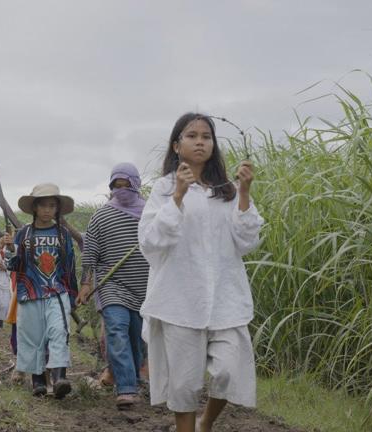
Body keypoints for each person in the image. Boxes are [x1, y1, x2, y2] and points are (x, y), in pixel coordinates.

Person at [138, 113, 264, 432]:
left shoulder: (228, 190)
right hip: (179, 301)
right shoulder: (165, 188)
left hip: (226, 299)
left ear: (213, 144)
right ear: (177, 145)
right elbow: (150, 242)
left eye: (206, 136)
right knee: (183, 384)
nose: (200, 141)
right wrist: (178, 195)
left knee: (228, 371)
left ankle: (205, 423)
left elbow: (248, 242)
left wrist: (245, 193)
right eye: (191, 135)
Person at [77, 162, 150, 409]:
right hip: (112, 285)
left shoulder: (151, 214)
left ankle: (135, 376)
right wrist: (86, 283)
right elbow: (90, 253)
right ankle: (127, 388)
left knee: (137, 338)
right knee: (117, 330)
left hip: (144, 288)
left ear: (136, 184)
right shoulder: (102, 215)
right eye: (116, 186)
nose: (121, 190)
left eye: (125, 185)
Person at [4, 183, 78, 399]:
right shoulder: (23, 234)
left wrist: (72, 295)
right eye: (43, 205)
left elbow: (69, 266)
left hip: (57, 291)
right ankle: (38, 382)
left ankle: (58, 378)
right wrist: (10, 250)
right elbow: (14, 266)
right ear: (35, 207)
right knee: (32, 337)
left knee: (58, 332)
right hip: (30, 292)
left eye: (52, 206)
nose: (47, 210)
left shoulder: (63, 234)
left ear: (57, 209)